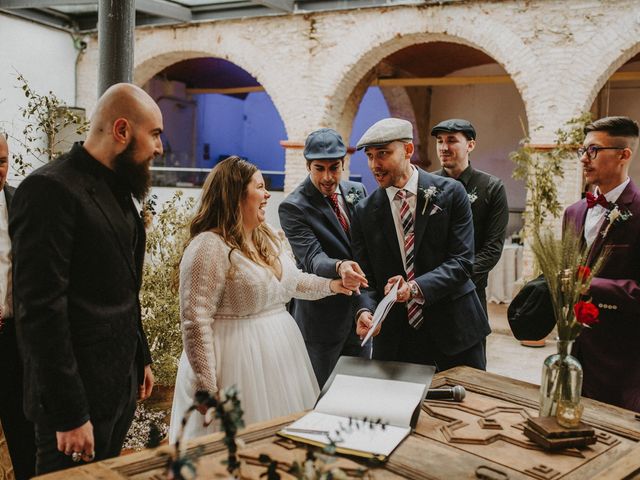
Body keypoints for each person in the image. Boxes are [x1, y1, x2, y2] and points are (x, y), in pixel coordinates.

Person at [9, 83, 158, 475]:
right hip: (75, 402)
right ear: (122, 130)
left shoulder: (120, 189)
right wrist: (69, 415)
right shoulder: (49, 189)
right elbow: (41, 311)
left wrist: (139, 355)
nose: (159, 147)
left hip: (116, 390)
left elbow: (123, 285)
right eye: (155, 134)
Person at [168, 156, 352, 443]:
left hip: (282, 358)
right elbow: (195, 319)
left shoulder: (268, 237)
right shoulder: (208, 246)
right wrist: (206, 384)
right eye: (260, 187)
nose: (268, 195)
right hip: (235, 362)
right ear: (236, 193)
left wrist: (334, 285)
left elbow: (293, 283)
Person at [352, 118, 490, 371]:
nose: (375, 165)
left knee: (466, 406)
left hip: (455, 330)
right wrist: (366, 311)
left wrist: (414, 288)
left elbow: (462, 263)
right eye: (370, 156)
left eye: (383, 154)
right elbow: (367, 279)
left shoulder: (452, 193)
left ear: (407, 150)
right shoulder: (364, 211)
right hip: (396, 339)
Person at [278, 128, 369, 388]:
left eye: (334, 168)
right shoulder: (294, 206)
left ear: (344, 164)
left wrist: (365, 306)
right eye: (319, 168)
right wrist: (340, 266)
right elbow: (313, 259)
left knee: (356, 394)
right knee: (318, 398)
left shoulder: (358, 191)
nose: (328, 177)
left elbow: (365, 250)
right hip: (320, 323)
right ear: (308, 166)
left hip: (360, 317)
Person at [564, 116, 640, 412]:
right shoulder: (573, 212)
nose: (584, 159)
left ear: (624, 155)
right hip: (576, 352)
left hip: (626, 360)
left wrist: (592, 285)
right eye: (582, 151)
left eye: (593, 150)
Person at [431, 119, 508, 317]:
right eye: (440, 141)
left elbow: (492, 249)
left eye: (452, 140)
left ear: (470, 145)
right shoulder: (426, 185)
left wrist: (452, 280)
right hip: (429, 293)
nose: (444, 147)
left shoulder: (491, 187)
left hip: (470, 292)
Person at [0, 134, 35, 480]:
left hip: (13, 342)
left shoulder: (19, 202)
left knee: (24, 440)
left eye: (2, 160)